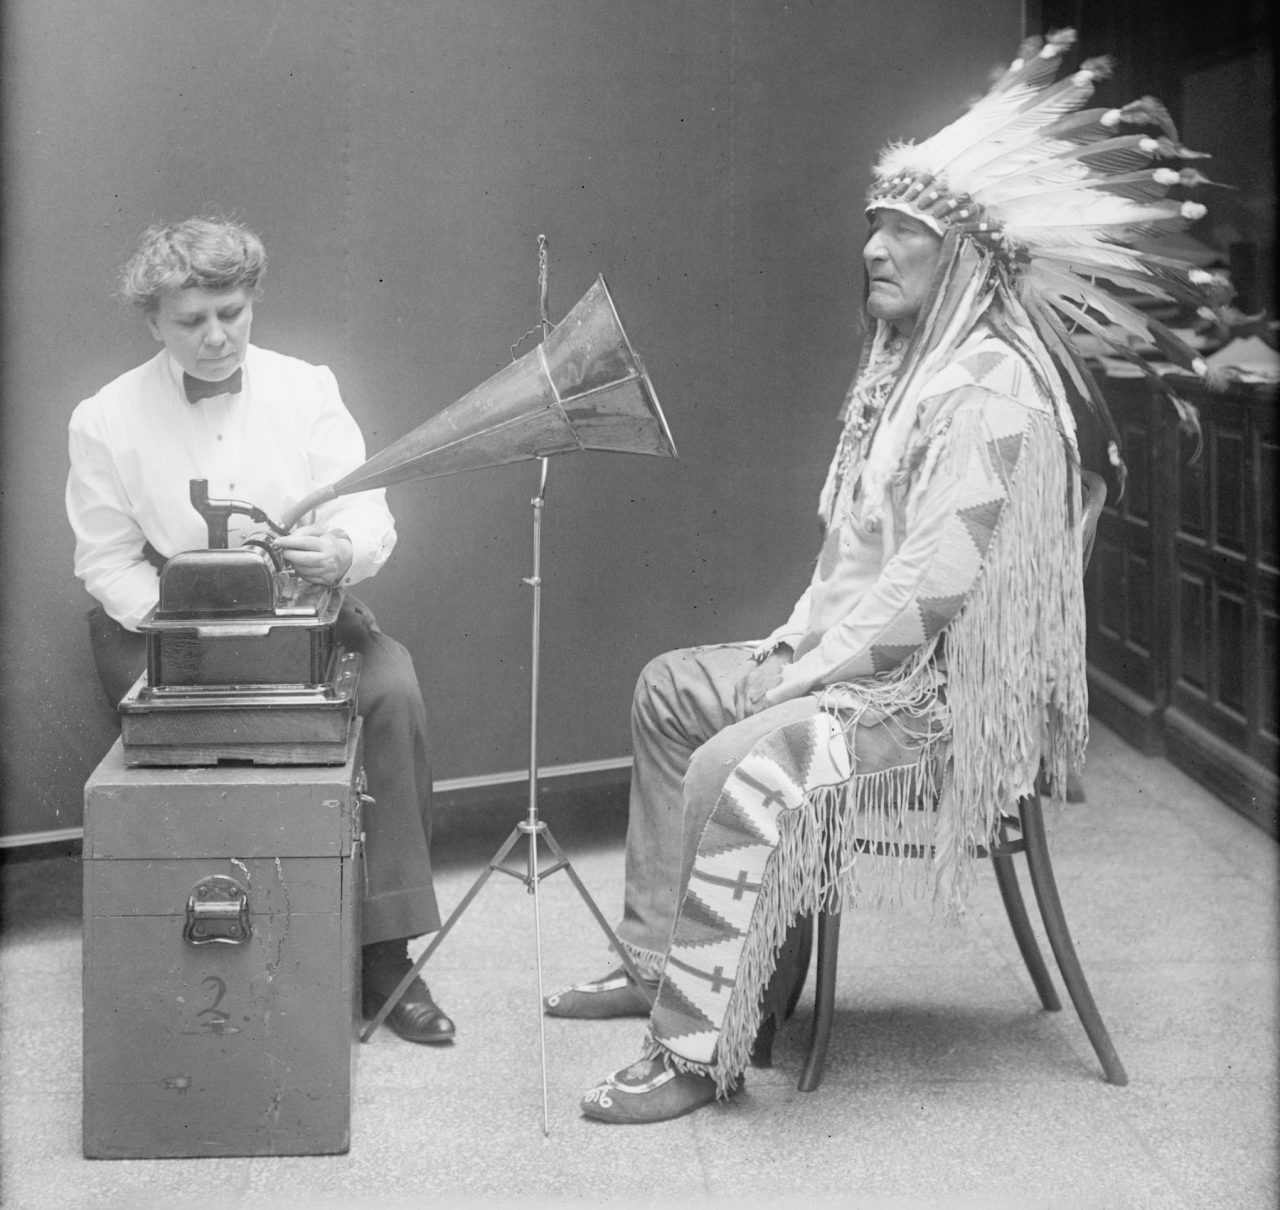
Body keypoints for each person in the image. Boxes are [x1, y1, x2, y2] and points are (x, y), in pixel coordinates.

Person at [547, 30, 1226, 1123]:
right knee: (671, 689)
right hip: (862, 669)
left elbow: (929, 597)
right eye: (873, 223)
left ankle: (692, 1048)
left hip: (926, 703)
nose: (872, 245)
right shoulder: (909, 374)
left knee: (738, 752)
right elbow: (856, 559)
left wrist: (796, 677)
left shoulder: (991, 393)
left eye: (903, 230)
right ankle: (654, 959)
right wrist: (792, 648)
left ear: (962, 260)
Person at [66, 216, 456, 1046]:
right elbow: (103, 561)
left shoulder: (307, 388)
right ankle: (212, 947)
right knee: (196, 731)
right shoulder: (103, 418)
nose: (216, 338)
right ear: (153, 323)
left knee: (390, 691)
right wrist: (185, 616)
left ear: (252, 304)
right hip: (166, 624)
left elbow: (365, 508)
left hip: (297, 604)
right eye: (191, 321)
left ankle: (383, 952)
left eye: (232, 314)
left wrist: (341, 549)